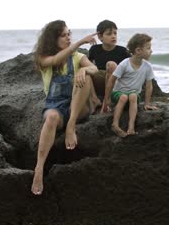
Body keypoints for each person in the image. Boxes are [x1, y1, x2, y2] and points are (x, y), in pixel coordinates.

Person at [31, 20, 98, 195]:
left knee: (86, 77)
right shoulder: (42, 58)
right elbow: (55, 59)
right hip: (55, 106)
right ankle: (39, 169)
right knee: (51, 117)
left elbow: (95, 69)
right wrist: (80, 42)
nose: (68, 38)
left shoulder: (77, 57)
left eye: (69, 34)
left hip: (78, 107)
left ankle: (71, 127)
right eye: (63, 35)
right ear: (53, 39)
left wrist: (84, 70)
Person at [103, 33, 159, 137]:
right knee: (124, 97)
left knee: (133, 95)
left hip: (133, 96)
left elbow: (149, 86)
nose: (151, 51)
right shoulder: (125, 64)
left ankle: (131, 127)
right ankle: (115, 125)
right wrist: (107, 100)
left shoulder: (147, 66)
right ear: (138, 51)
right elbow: (111, 80)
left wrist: (147, 103)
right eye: (148, 48)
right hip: (119, 94)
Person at [88, 20, 131, 113]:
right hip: (100, 79)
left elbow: (131, 69)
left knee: (111, 65)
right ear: (100, 37)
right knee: (85, 71)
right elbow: (88, 65)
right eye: (109, 34)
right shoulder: (94, 49)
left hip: (116, 82)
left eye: (115, 33)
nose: (113, 36)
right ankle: (94, 99)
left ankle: (107, 101)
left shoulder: (123, 51)